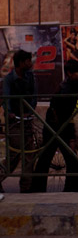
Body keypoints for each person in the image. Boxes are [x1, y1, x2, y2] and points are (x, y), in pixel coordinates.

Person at [32, 59, 78, 192]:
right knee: (57, 157)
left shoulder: (74, 84)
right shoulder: (66, 88)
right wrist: (70, 134)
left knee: (58, 158)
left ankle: (63, 187)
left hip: (62, 125)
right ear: (70, 73)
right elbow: (60, 113)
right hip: (56, 126)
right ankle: (64, 188)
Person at [0, 50, 37, 193]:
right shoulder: (9, 79)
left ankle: (26, 187)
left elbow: (34, 95)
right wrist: (9, 113)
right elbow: (6, 97)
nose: (30, 63)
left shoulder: (30, 77)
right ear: (21, 63)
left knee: (29, 155)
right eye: (28, 61)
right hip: (14, 121)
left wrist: (31, 110)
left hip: (27, 119)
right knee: (14, 155)